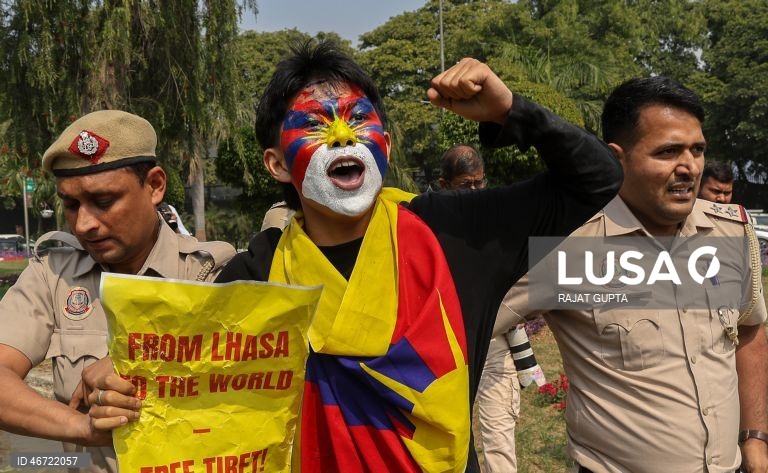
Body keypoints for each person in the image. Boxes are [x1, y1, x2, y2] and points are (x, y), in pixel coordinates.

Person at [86, 41, 622, 472]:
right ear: (276, 164)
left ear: (383, 142)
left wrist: (509, 110)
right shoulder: (255, 276)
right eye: (316, 123)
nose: (343, 134)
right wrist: (120, 384)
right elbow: (186, 390)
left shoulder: (455, 231)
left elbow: (598, 178)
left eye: (357, 119)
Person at [504, 77, 768, 473]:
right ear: (617, 158)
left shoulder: (728, 231)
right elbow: (466, 325)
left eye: (697, 150)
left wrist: (755, 440)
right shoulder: (572, 245)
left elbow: (749, 330)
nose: (689, 167)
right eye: (667, 152)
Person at [0, 110, 236, 473]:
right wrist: (82, 429)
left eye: (104, 201)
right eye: (71, 204)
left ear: (155, 186)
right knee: (28, 462)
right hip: (76, 461)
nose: (84, 224)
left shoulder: (211, 273)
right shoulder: (53, 274)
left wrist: (142, 362)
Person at [437, 144, 544, 472]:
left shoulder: (497, 220)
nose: (474, 191)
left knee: (499, 438)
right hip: (449, 349)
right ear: (444, 185)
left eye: (479, 183)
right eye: (464, 185)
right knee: (449, 441)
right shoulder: (426, 225)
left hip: (496, 348)